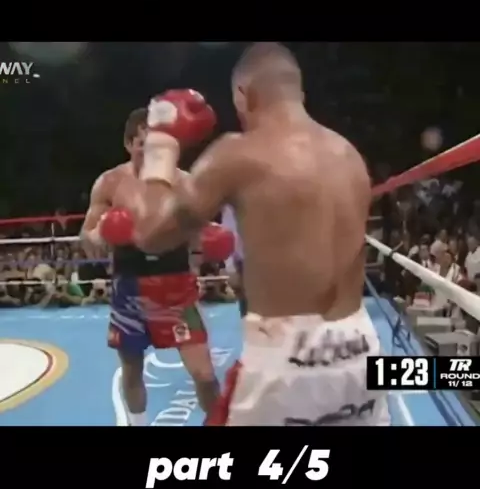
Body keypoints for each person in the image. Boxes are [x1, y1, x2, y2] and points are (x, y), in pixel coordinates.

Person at [104, 44, 387, 426]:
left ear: (243, 95)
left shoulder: (236, 154)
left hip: (288, 361)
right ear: (299, 93)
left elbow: (150, 233)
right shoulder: (349, 154)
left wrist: (161, 143)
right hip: (362, 349)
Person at [80, 107, 222, 426]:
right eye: (143, 144)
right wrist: (101, 233)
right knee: (132, 369)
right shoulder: (110, 183)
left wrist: (204, 255)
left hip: (177, 286)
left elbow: (199, 234)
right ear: (129, 144)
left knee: (204, 374)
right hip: (129, 287)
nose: (150, 153)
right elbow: (87, 237)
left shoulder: (184, 183)